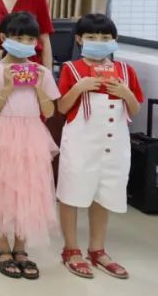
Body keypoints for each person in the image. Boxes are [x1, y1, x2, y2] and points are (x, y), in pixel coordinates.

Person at [55, 14, 142, 280]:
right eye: (92, 37)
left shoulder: (125, 71)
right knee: (72, 193)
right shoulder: (71, 69)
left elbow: (134, 109)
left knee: (104, 193)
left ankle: (97, 249)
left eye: (105, 37)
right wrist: (79, 88)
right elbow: (62, 108)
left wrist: (125, 92)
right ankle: (71, 249)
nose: (99, 41)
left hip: (114, 145)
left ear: (114, 40)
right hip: (81, 144)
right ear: (79, 39)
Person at [0, 12, 59, 280]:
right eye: (18, 38)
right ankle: (2, 248)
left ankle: (21, 248)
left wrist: (39, 88)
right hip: (1, 133)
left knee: (29, 188)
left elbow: (50, 111)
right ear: (3, 38)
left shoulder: (42, 72)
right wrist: (8, 87)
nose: (24, 43)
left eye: (30, 39)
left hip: (33, 134)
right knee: (0, 187)